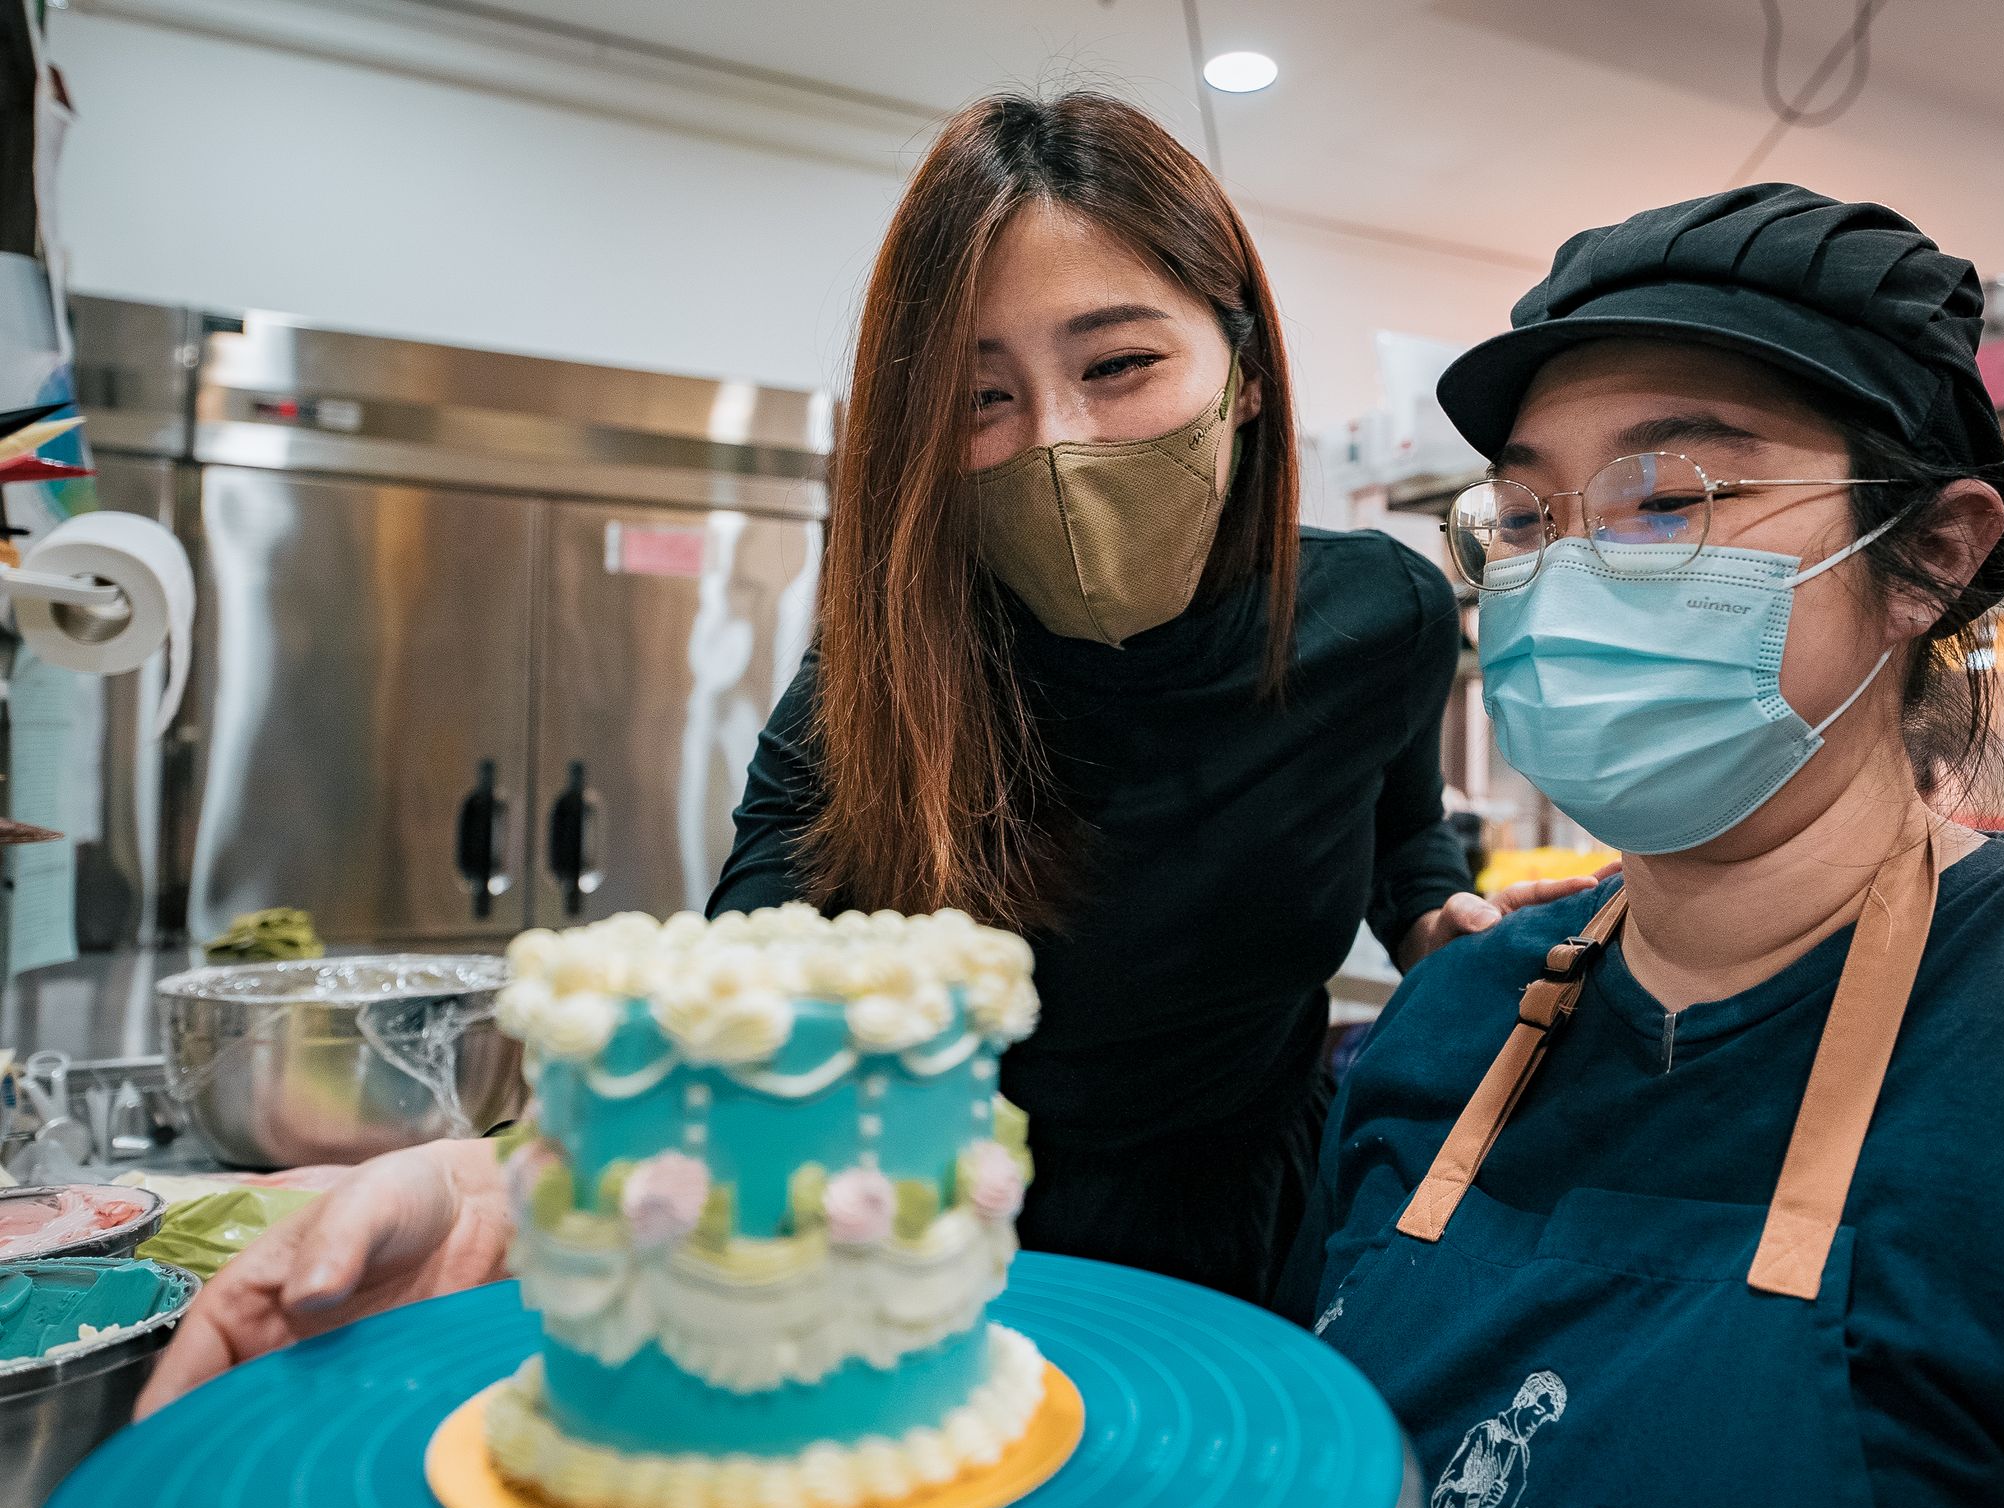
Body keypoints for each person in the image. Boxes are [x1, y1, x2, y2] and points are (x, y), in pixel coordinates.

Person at [136, 90, 1580, 1418]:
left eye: (1123, 365)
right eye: (979, 398)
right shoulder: (886, 677)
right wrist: (506, 1179)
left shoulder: (1381, 613)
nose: (1058, 448)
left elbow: (1399, 824)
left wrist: (1425, 912)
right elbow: (735, 994)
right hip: (924, 1260)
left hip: (1265, 1232)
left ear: (1246, 373)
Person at [1277, 186, 2004, 1508]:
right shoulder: (1452, 1022)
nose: (1562, 579)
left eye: (1668, 500)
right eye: (1520, 517)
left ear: (1930, 553)